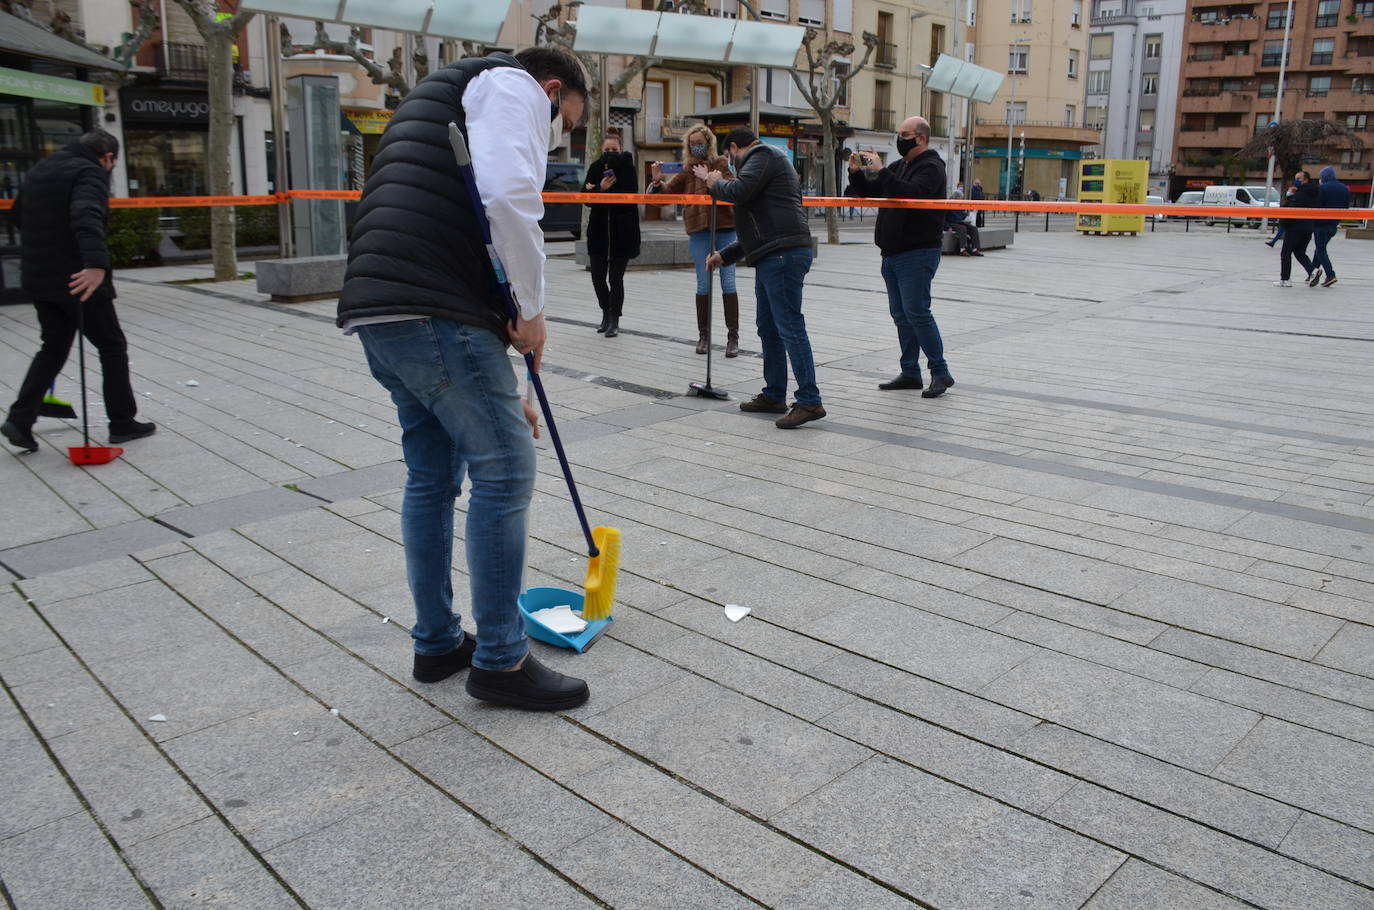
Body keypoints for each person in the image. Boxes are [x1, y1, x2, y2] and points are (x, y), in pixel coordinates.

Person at [337, 47, 590, 710]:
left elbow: (461, 215)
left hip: (380, 305)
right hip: (430, 308)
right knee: (505, 470)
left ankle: (438, 642)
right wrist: (532, 314)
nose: (557, 134)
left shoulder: (444, 91)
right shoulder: (511, 85)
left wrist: (500, 391)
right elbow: (507, 196)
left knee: (432, 477)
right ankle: (501, 662)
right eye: (564, 122)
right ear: (553, 88)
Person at [2, 130, 155, 454]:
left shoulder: (41, 169)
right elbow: (87, 215)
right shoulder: (89, 172)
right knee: (112, 346)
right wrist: (96, 265)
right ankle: (122, 423)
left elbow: (17, 216)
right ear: (108, 158)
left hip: (41, 278)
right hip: (80, 278)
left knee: (53, 347)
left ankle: (20, 418)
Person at [698, 127, 823, 430]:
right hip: (773, 252)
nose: (730, 164)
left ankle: (809, 400)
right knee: (769, 327)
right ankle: (774, 394)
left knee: (789, 326)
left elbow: (739, 191)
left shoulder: (761, 155)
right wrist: (724, 255)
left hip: (782, 254)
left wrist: (714, 182)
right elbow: (760, 225)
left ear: (734, 148)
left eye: (730, 157)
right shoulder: (766, 162)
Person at [845, 115, 955, 398]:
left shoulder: (932, 166)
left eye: (904, 134)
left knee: (917, 312)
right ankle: (910, 372)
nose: (899, 139)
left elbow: (909, 193)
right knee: (901, 315)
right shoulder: (900, 166)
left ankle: (940, 372)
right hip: (892, 253)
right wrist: (856, 172)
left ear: (920, 137)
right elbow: (870, 192)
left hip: (917, 252)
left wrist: (882, 171)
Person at [647, 125, 741, 357]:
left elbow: (734, 189)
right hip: (699, 231)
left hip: (725, 228)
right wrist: (657, 182)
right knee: (703, 283)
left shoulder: (721, 164)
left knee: (728, 283)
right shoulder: (687, 169)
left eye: (700, 142)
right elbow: (666, 198)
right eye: (692, 143)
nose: (696, 146)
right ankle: (704, 337)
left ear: (709, 142)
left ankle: (733, 337)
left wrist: (708, 178)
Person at [581, 130, 640, 338]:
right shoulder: (595, 167)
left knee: (616, 279)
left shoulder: (628, 168)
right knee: (597, 278)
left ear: (621, 149)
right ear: (601, 150)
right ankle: (605, 313)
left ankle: (615, 319)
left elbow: (630, 193)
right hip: (598, 233)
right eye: (607, 150)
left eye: (614, 149)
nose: (610, 153)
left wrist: (598, 190)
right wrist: (599, 189)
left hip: (622, 234)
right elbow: (585, 197)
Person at [1274, 171, 1319, 288]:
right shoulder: (1314, 193)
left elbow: (1289, 209)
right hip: (1308, 228)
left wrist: (1289, 196)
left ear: (1306, 180)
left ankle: (1285, 279)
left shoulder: (1300, 194)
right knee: (1299, 252)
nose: (1296, 181)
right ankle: (1313, 271)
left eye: (1299, 178)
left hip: (1295, 227)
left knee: (1285, 253)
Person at [1312, 165, 1348, 288]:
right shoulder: (1344, 188)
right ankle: (1312, 271)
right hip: (1333, 224)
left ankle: (1330, 274)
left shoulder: (1323, 188)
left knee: (1321, 249)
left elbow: (1318, 205)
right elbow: (1345, 207)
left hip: (1321, 224)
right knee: (1320, 248)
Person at [943, 189, 983, 256]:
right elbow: (943, 218)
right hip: (952, 223)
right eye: (960, 198)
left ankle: (975, 249)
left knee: (973, 229)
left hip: (960, 222)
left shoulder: (959, 205)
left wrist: (967, 218)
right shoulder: (948, 204)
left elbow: (962, 214)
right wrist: (947, 227)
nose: (961, 199)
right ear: (956, 198)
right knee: (962, 228)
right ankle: (962, 249)